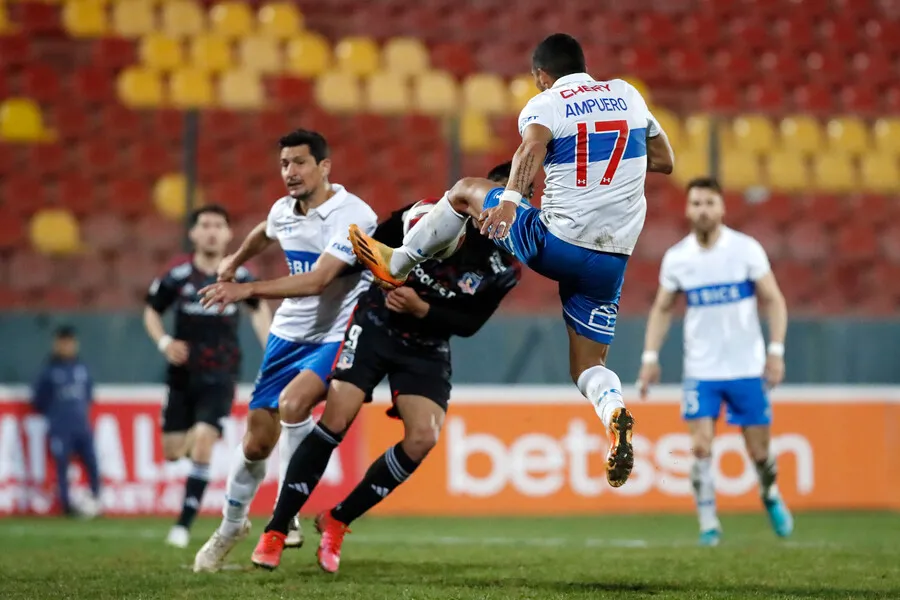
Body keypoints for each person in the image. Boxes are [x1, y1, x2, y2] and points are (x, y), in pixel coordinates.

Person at [349, 33, 675, 489]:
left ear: (541, 75)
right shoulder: (628, 94)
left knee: (464, 190)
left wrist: (511, 200)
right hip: (610, 260)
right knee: (587, 366)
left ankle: (398, 263)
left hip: (555, 244)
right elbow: (665, 159)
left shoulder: (547, 103)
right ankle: (614, 411)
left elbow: (531, 148)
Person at [246, 162, 524, 572]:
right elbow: (373, 246)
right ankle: (274, 528)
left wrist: (422, 306)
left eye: (509, 200)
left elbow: (470, 324)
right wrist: (384, 278)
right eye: (490, 195)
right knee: (337, 416)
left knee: (423, 438)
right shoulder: (430, 215)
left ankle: (337, 519)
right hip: (377, 323)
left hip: (426, 341)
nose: (495, 207)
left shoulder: (507, 263)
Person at [191, 129, 378, 573]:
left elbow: (318, 280)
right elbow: (265, 230)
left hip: (336, 334)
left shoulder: (353, 216)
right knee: (256, 442)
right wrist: (235, 259)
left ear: (324, 166)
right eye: (284, 164)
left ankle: (285, 510)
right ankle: (232, 525)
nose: (289, 172)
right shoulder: (284, 210)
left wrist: (246, 286)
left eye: (299, 163)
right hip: (286, 336)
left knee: (295, 404)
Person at [636, 177, 793, 546]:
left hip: (745, 368)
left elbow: (775, 300)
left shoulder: (745, 250)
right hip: (701, 371)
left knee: (759, 453)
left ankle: (769, 494)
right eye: (696, 203)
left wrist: (776, 352)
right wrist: (649, 357)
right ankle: (709, 523)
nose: (702, 210)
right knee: (701, 447)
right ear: (687, 209)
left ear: (722, 208)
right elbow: (662, 308)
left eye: (709, 203)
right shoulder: (678, 258)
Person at [144, 205, 273, 548]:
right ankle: (194, 463)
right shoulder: (177, 276)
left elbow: (259, 311)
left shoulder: (239, 275)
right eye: (205, 225)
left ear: (230, 234)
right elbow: (151, 312)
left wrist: (274, 352)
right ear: (194, 234)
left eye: (219, 225)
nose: (212, 231)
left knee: (203, 440)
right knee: (173, 452)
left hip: (221, 372)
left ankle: (183, 526)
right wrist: (164, 341)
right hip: (182, 373)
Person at [31, 326, 101, 518]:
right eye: (63, 342)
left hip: (82, 426)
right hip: (60, 428)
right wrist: (55, 415)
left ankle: (96, 500)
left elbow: (89, 394)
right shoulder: (48, 371)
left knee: (92, 462)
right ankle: (66, 505)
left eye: (70, 342)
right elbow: (38, 401)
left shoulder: (82, 368)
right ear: (56, 344)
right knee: (62, 466)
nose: (67, 346)